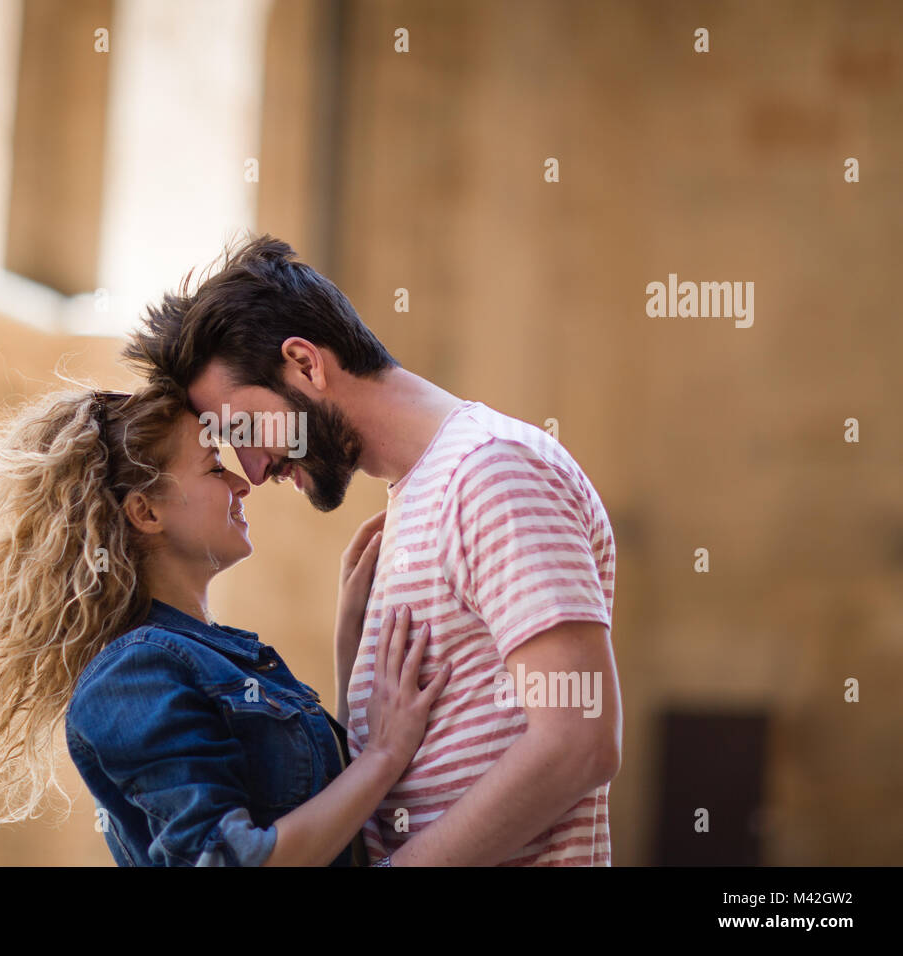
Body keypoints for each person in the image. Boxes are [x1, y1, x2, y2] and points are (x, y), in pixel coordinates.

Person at [123, 234, 623, 866]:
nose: (251, 468)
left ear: (305, 363)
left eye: (242, 427)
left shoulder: (493, 471)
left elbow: (579, 743)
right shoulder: (417, 498)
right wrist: (350, 660)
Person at [0, 381, 450, 866]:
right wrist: (382, 759)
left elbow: (332, 818)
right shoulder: (133, 672)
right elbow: (236, 859)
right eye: (213, 468)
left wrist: (352, 639)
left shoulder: (215, 654)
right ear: (146, 512)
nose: (243, 484)